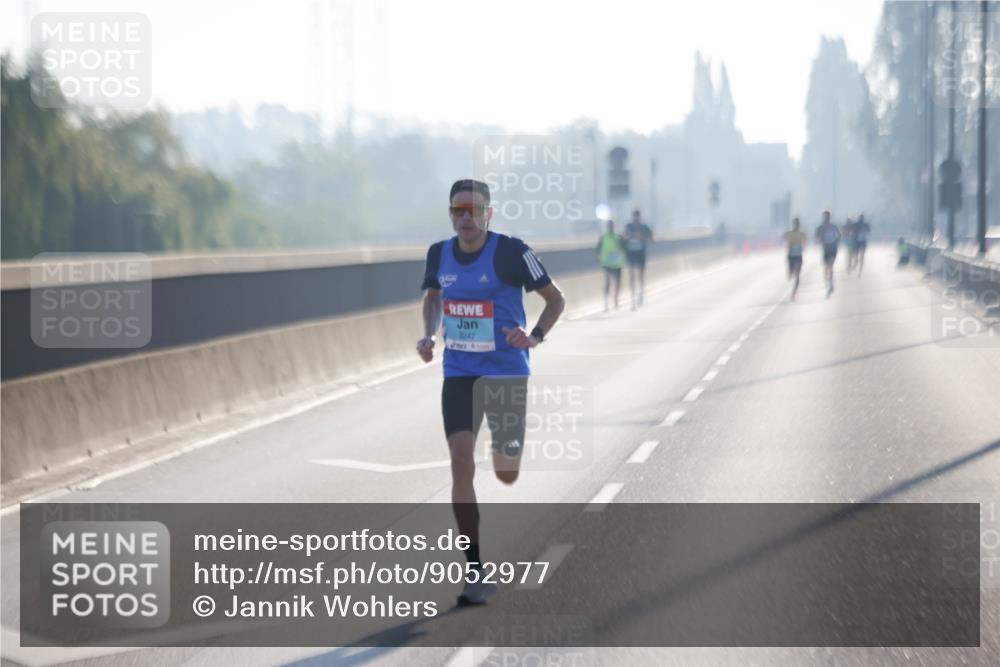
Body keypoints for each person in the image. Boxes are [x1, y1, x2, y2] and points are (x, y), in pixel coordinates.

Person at [417, 179, 565, 606]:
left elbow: (555, 300)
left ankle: (508, 453)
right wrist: (428, 335)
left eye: (474, 210)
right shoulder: (438, 253)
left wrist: (534, 336)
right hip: (459, 372)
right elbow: (432, 298)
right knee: (461, 464)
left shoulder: (512, 252)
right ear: (450, 214)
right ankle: (474, 571)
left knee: (506, 471)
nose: (466, 218)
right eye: (458, 210)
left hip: (506, 372)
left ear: (489, 213)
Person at [623, 209, 653, 309]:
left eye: (637, 217)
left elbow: (651, 239)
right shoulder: (628, 226)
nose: (636, 219)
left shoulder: (644, 227)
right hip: (631, 253)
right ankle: (633, 297)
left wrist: (642, 237)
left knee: (640, 274)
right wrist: (627, 237)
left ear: (640, 217)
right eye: (634, 217)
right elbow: (624, 238)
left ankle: (641, 291)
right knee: (631, 274)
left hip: (641, 253)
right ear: (633, 217)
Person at [597, 220, 625, 311]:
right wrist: (600, 259)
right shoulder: (603, 237)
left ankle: (615, 299)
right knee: (608, 282)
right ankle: (606, 302)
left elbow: (623, 247)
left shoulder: (618, 237)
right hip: (607, 263)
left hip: (617, 263)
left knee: (617, 283)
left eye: (611, 225)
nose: (610, 227)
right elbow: (598, 249)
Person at [815, 210, 841, 297]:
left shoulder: (834, 226)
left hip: (833, 249)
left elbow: (839, 235)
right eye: (825, 217)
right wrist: (820, 240)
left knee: (830, 266)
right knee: (826, 267)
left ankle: (831, 282)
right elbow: (817, 236)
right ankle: (827, 280)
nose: (827, 218)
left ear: (830, 217)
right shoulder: (821, 227)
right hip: (825, 250)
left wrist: (836, 241)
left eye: (828, 217)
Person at [783, 217, 807, 301]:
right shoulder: (789, 233)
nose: (796, 225)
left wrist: (801, 246)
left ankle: (794, 293)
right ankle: (790, 272)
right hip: (791, 256)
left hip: (798, 256)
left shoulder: (802, 233)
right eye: (795, 223)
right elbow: (784, 238)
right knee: (790, 275)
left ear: (799, 224)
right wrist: (790, 243)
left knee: (797, 275)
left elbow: (804, 243)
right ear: (793, 224)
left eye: (798, 223)